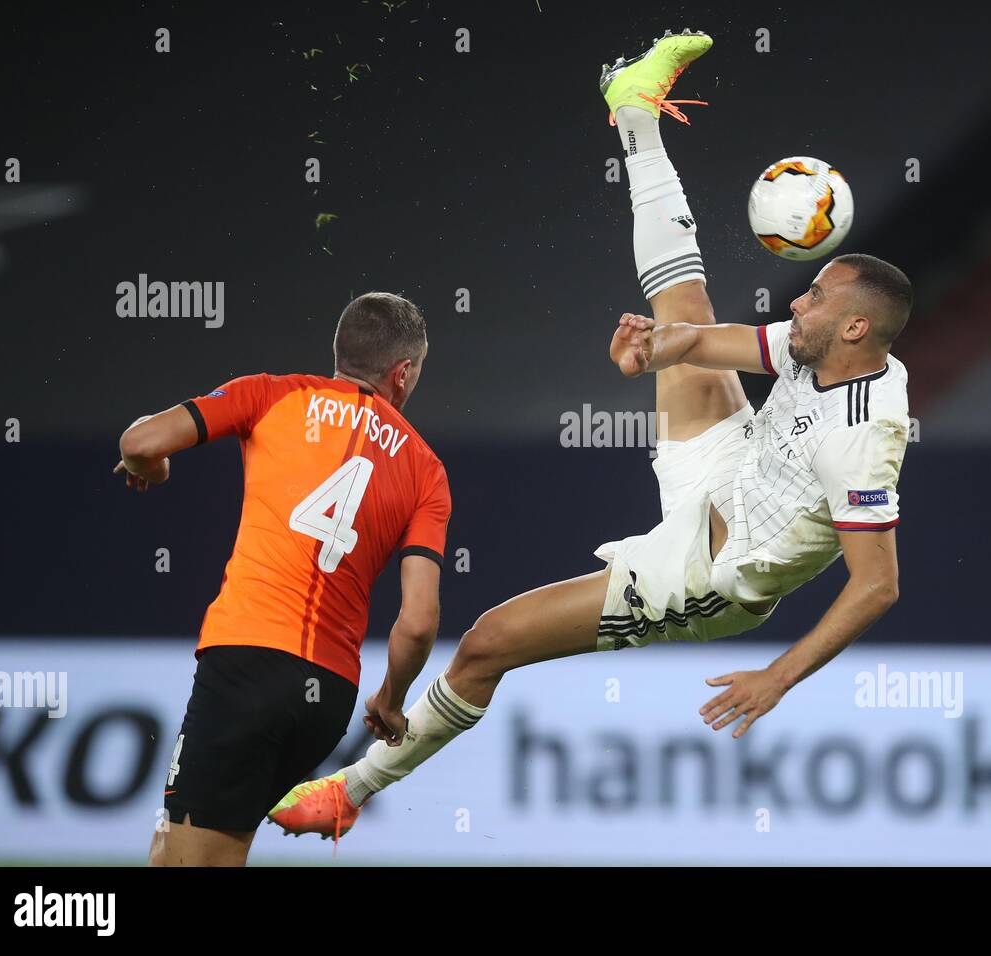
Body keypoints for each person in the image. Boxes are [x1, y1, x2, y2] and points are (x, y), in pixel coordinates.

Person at [270, 30, 912, 843]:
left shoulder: (865, 436)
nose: (798, 305)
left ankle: (350, 790)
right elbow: (718, 340)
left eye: (815, 297)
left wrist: (776, 680)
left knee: (490, 642)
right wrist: (653, 350)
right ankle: (634, 112)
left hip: (711, 570)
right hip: (730, 468)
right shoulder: (825, 346)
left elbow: (876, 585)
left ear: (856, 326)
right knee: (686, 303)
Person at [115, 292, 450, 864]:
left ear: (340, 350)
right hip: (327, 700)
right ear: (404, 371)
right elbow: (418, 623)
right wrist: (391, 701)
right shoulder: (427, 469)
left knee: (178, 861)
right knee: (222, 854)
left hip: (245, 664)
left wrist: (156, 467)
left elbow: (140, 442)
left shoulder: (270, 394)